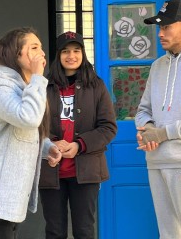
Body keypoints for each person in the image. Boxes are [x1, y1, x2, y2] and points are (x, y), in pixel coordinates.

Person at [0, 27, 62, 239]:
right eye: (34, 47)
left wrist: (46, 147)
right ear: (15, 54)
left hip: (7, 194)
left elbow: (20, 130)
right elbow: (28, 117)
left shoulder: (21, 87)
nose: (42, 53)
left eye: (41, 47)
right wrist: (38, 78)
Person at [135, 0, 181, 239]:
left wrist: (163, 133)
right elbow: (143, 110)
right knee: (168, 234)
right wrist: (147, 128)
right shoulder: (157, 66)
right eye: (159, 27)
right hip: (155, 161)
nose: (160, 33)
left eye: (166, 27)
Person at [38, 31, 117, 239]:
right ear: (58, 55)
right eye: (65, 51)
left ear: (83, 53)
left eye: (76, 50)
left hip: (86, 171)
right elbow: (34, 125)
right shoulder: (44, 87)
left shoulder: (96, 86)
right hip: (51, 169)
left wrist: (79, 145)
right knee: (54, 231)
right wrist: (54, 144)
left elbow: (108, 127)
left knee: (84, 230)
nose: (71, 56)